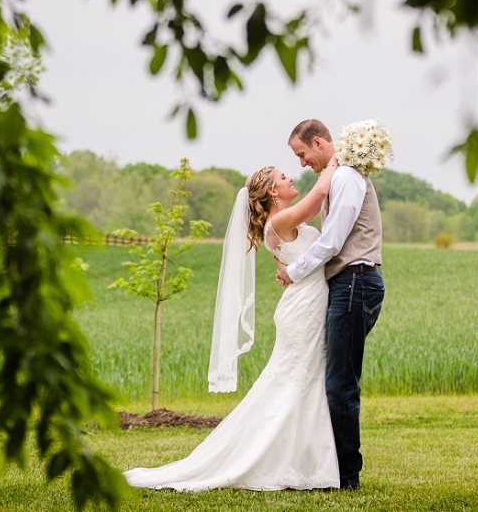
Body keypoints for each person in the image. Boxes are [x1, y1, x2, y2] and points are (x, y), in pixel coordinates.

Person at [123, 159, 341, 491]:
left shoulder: (282, 220)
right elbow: (321, 190)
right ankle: (291, 463)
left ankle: (307, 464)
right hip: (302, 311)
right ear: (272, 191)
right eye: (284, 177)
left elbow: (311, 220)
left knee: (304, 381)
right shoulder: (279, 220)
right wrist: (341, 155)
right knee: (296, 382)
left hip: (307, 304)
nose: (291, 177)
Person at [276, 119, 385, 491]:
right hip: (348, 284)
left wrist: (294, 270)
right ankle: (334, 468)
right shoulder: (338, 176)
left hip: (355, 282)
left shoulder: (346, 177)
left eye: (302, 154)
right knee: (335, 379)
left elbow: (334, 242)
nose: (302, 164)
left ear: (318, 142)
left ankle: (346, 476)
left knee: (340, 384)